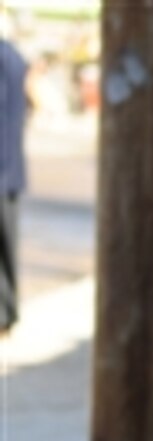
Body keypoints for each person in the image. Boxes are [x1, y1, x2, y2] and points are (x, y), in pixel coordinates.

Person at [0, 38, 29, 332]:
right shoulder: (14, 56)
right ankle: (7, 313)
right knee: (7, 248)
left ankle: (6, 313)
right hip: (10, 172)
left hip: (5, 171)